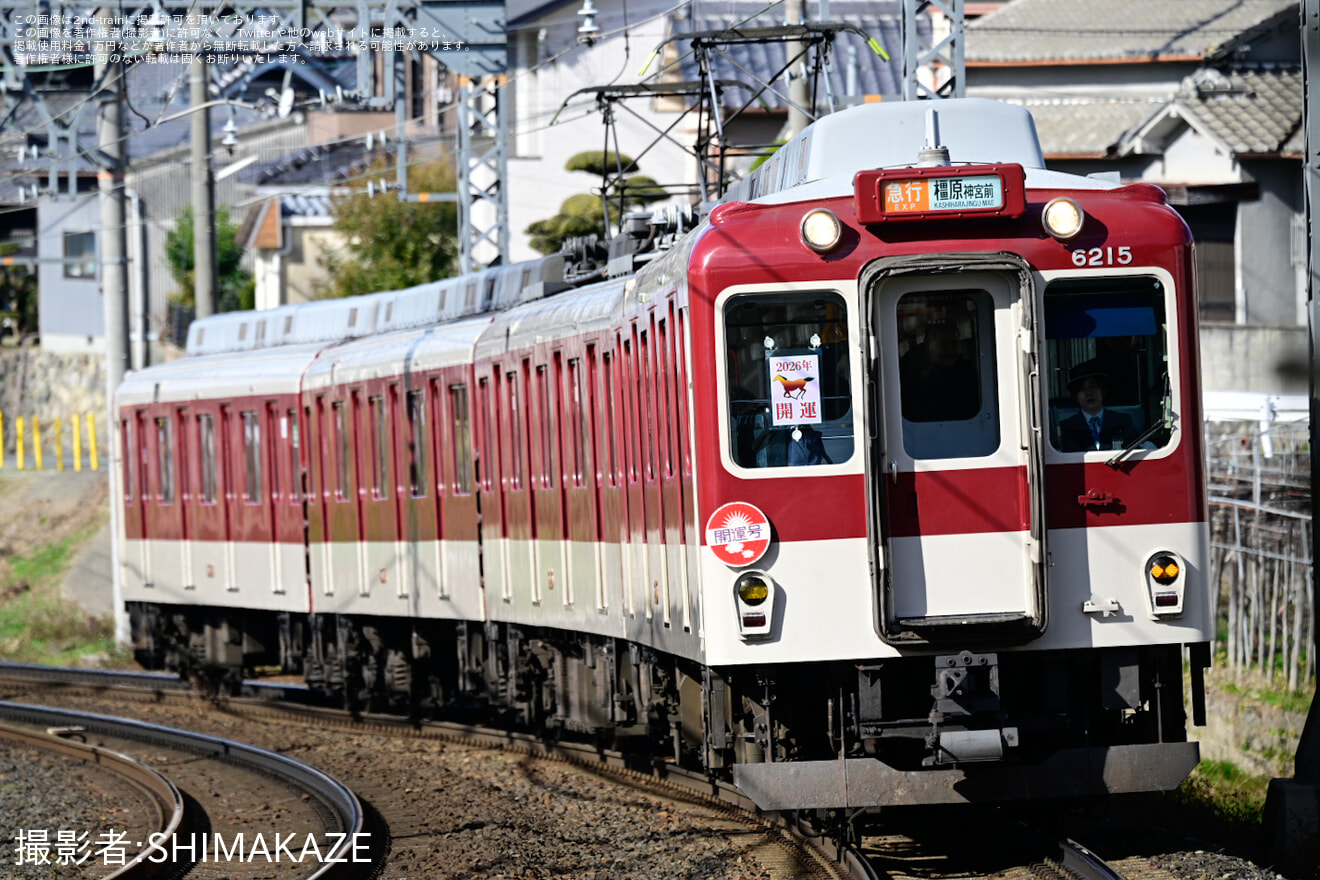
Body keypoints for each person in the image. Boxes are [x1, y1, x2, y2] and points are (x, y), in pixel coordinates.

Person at [899, 321, 979, 422]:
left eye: (954, 344)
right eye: (943, 345)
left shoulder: (967, 372)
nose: (950, 351)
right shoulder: (910, 371)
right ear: (928, 344)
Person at [1057, 368, 1141, 452]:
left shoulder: (1122, 420)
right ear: (1076, 396)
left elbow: (1134, 449)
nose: (1089, 393)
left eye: (1093, 386)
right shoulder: (1067, 426)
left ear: (1102, 391)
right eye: (1082, 388)